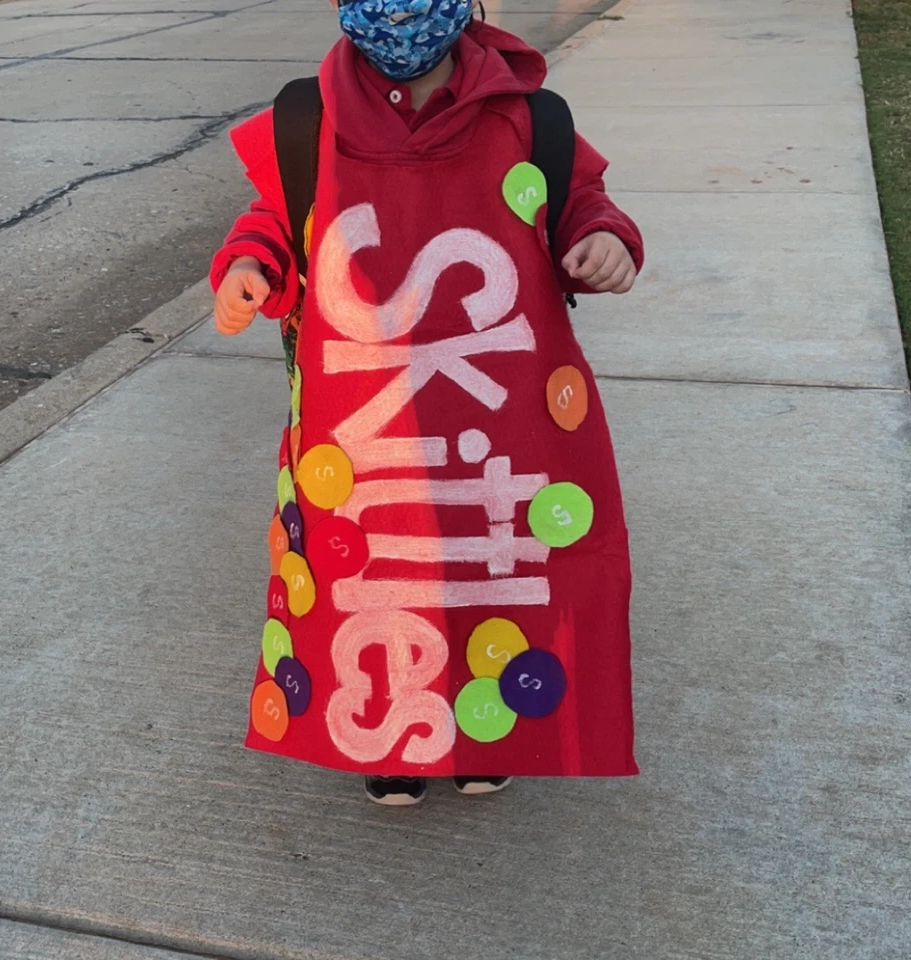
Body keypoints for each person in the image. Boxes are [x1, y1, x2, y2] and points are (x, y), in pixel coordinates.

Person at [210, 0, 643, 806]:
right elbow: (274, 217)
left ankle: (488, 728)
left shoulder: (528, 119)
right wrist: (249, 266)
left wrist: (605, 240)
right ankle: (391, 733)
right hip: (365, 419)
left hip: (497, 424)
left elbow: (583, 198)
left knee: (490, 570)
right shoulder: (308, 118)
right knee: (378, 575)